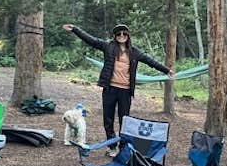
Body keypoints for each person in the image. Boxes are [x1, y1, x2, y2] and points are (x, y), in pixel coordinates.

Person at [62, 23, 174, 154]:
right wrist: (75, 30)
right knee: (108, 119)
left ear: (128, 36)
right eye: (119, 33)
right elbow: (91, 40)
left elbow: (151, 62)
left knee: (124, 120)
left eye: (124, 33)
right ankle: (112, 147)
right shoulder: (108, 47)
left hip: (125, 91)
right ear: (115, 36)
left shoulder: (134, 52)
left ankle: (122, 147)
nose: (122, 36)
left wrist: (166, 70)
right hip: (110, 89)